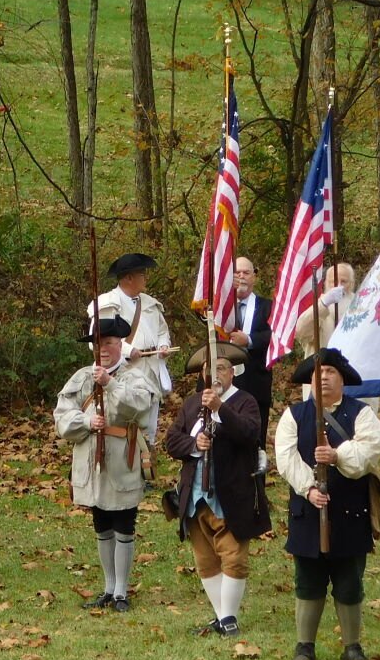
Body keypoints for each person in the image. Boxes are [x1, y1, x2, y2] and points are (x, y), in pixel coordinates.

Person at [275, 348, 380, 660]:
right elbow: (286, 458)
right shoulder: (294, 415)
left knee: (350, 581)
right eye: (317, 373)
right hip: (307, 510)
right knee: (307, 581)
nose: (323, 378)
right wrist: (309, 488)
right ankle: (304, 646)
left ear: (342, 378)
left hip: (350, 510)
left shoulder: (361, 414)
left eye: (330, 372)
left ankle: (352, 646)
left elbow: (369, 451)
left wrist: (337, 456)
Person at [54, 314, 162, 612]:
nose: (104, 348)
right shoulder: (80, 378)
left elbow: (139, 406)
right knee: (101, 522)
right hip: (91, 460)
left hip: (122, 459)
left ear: (120, 345)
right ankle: (107, 587)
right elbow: (62, 417)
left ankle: (121, 591)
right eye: (99, 343)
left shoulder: (136, 376)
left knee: (124, 523)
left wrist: (110, 384)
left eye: (110, 342)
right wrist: (88, 420)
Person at [163, 343, 270, 637]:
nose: (216, 374)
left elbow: (250, 434)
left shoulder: (245, 401)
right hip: (195, 494)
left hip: (233, 492)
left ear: (232, 373)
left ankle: (229, 618)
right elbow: (172, 441)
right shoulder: (191, 404)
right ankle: (223, 617)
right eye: (211, 369)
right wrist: (194, 445)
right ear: (203, 373)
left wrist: (220, 409)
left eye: (222, 368)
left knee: (233, 555)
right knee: (205, 559)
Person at [88, 253, 172, 447]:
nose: (146, 278)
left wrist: (163, 345)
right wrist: (128, 350)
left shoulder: (150, 302)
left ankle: (146, 460)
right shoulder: (108, 302)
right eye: (142, 274)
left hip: (151, 367)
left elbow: (162, 331)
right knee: (123, 417)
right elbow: (96, 339)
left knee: (150, 421)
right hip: (123, 370)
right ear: (129, 278)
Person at [224, 256, 274, 443]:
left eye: (246, 272)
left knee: (255, 437)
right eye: (236, 273)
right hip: (223, 382)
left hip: (255, 382)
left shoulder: (267, 306)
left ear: (254, 276)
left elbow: (276, 335)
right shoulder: (220, 307)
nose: (242, 277)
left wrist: (250, 340)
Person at [292, 261, 358, 358]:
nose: (339, 286)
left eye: (343, 281)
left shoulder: (360, 305)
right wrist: (324, 303)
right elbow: (300, 331)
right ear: (326, 283)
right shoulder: (317, 304)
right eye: (334, 282)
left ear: (351, 284)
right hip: (322, 368)